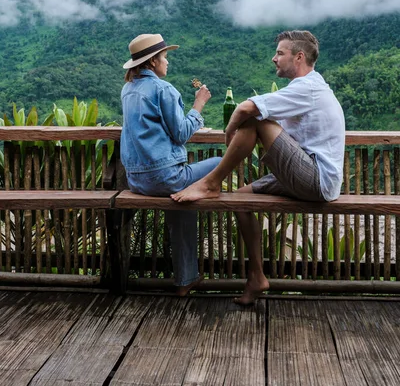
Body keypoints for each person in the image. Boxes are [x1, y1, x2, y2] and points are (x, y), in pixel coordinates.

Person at [171, 30, 345, 305]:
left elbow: (244, 109)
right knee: (241, 198)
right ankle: (256, 277)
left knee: (255, 118)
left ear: (299, 57)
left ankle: (211, 183)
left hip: (316, 178)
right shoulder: (307, 87)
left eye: (280, 53)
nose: (273, 58)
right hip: (311, 176)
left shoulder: (307, 88)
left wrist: (229, 134)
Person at [120, 33, 221, 296]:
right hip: (165, 178)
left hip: (137, 181)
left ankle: (185, 280)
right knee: (221, 163)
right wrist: (198, 105)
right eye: (165, 57)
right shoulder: (163, 89)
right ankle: (187, 276)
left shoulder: (128, 89)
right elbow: (181, 134)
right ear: (153, 62)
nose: (168, 62)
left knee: (183, 203)